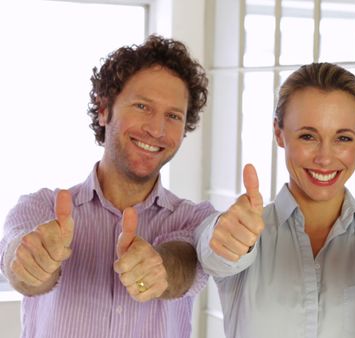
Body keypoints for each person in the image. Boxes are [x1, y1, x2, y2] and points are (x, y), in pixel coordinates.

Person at [196, 62, 355, 338]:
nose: (325, 158)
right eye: (308, 136)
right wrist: (220, 235)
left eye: (343, 138)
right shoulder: (240, 234)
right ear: (278, 132)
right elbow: (211, 252)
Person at [0, 35, 215, 338]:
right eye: (142, 106)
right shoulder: (39, 208)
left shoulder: (195, 221)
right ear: (104, 110)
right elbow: (17, 259)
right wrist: (32, 262)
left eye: (173, 116)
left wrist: (159, 269)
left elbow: (184, 263)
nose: (156, 129)